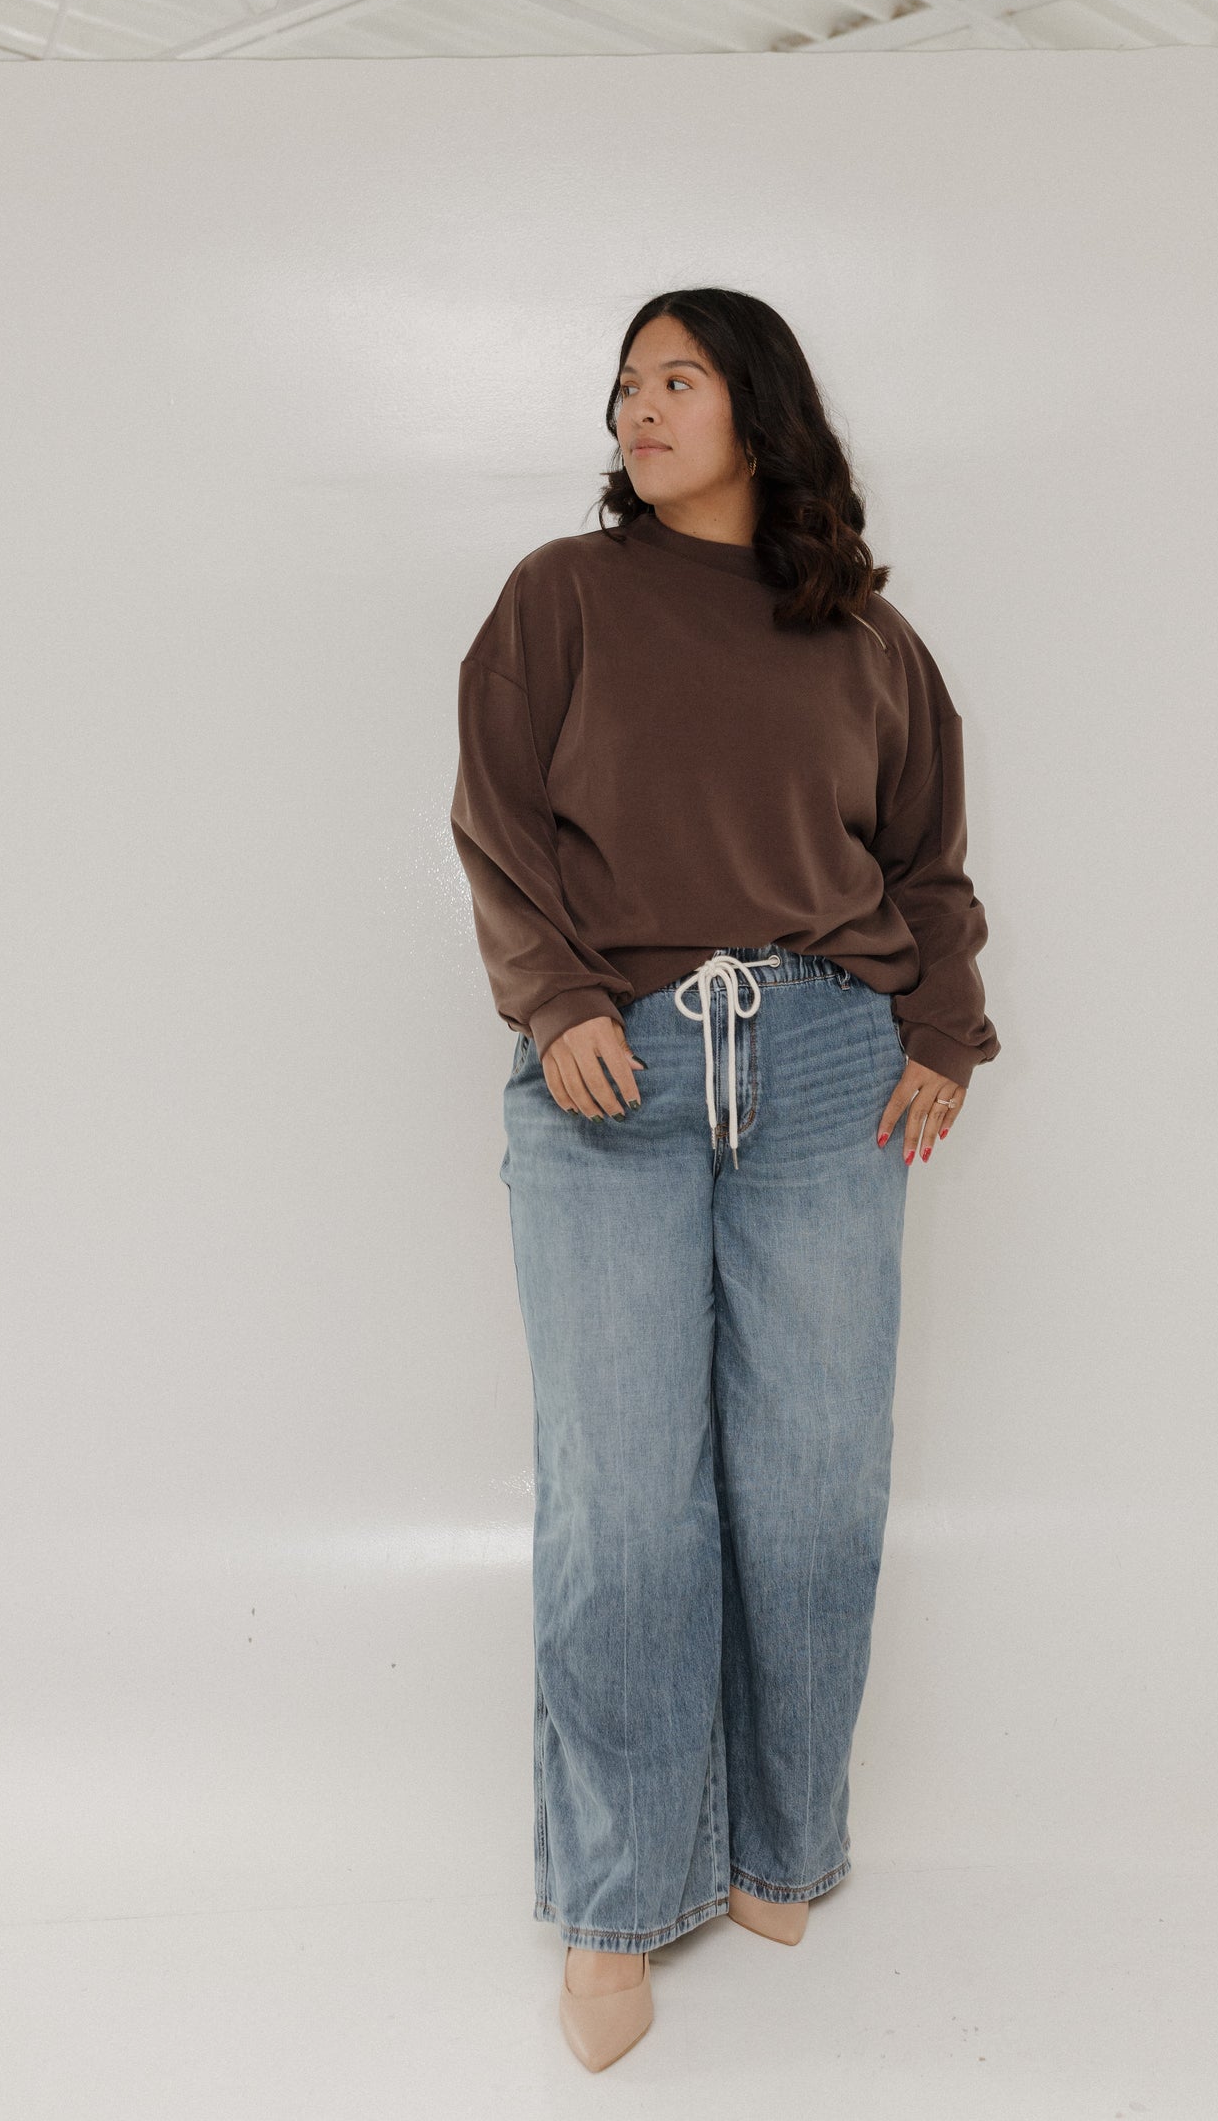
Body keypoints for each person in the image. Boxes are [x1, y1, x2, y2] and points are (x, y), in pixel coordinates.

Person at [449, 286, 1000, 2071]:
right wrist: (556, 1001)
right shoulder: (563, 594)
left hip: (834, 1059)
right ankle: (617, 1902)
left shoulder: (866, 641)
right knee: (623, 1501)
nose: (636, 408)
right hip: (616, 1062)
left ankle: (781, 1837)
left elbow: (925, 864)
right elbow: (496, 821)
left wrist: (942, 1038)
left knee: (814, 1486)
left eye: (673, 378)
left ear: (756, 406)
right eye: (621, 386)